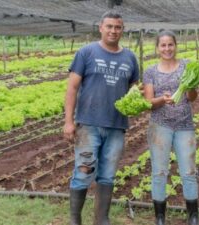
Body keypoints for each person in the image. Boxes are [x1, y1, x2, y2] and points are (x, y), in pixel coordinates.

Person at [63, 11, 139, 225]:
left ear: (122, 30)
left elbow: (134, 91)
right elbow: (72, 88)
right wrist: (69, 121)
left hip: (116, 126)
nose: (114, 31)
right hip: (89, 125)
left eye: (118, 27)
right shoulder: (86, 53)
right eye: (110, 26)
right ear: (101, 28)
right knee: (83, 172)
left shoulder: (130, 58)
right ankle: (74, 220)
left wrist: (139, 103)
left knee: (107, 176)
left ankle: (101, 219)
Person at [143, 30, 199, 225]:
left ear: (176, 46)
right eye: (163, 45)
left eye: (170, 45)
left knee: (189, 172)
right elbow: (149, 102)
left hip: (185, 125)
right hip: (160, 126)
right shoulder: (150, 71)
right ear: (157, 48)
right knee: (159, 172)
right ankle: (160, 217)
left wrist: (190, 86)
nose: (167, 48)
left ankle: (193, 217)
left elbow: (192, 98)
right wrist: (163, 99)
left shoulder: (186, 66)